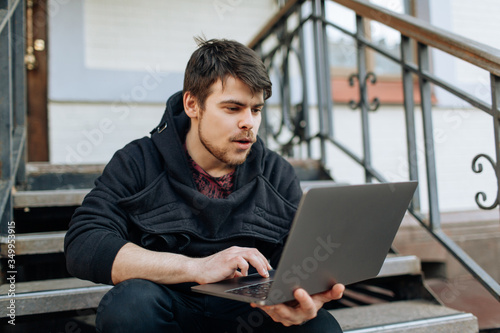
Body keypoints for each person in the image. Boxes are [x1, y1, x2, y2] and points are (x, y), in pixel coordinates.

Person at [64, 37, 344, 333]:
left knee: (321, 327)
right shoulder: (138, 162)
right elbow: (84, 243)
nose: (248, 122)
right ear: (192, 104)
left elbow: (297, 263)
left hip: (249, 313)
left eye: (256, 109)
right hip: (170, 305)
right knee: (129, 307)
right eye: (233, 108)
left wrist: (299, 301)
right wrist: (195, 267)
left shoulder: (276, 173)